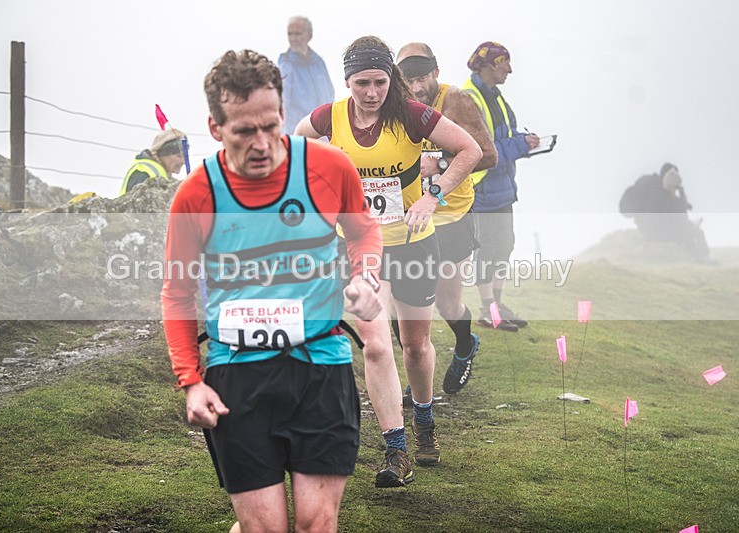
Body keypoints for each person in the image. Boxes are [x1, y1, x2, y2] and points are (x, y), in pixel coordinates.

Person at [161, 49, 383, 532]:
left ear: (283, 112)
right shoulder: (196, 195)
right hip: (238, 375)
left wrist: (364, 277)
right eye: (244, 131)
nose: (262, 143)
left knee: (315, 525)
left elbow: (363, 231)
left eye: (271, 125)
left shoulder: (329, 167)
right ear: (216, 127)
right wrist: (190, 380)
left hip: (321, 365)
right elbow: (177, 294)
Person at [296, 35, 481, 484]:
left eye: (380, 81)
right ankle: (395, 451)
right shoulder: (331, 118)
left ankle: (424, 422)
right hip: (360, 248)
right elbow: (297, 146)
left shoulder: (412, 115)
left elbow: (470, 150)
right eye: (362, 83)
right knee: (377, 345)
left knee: (414, 346)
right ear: (348, 82)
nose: (372, 92)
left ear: (390, 79)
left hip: (413, 244)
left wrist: (432, 197)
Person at [396, 42, 498, 396]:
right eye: (409, 80)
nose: (417, 88)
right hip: (410, 217)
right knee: (403, 305)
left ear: (436, 73)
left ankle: (465, 345)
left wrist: (438, 163)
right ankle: (417, 378)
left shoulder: (455, 100)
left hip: (451, 215)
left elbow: (488, 154)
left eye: (423, 78)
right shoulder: (394, 103)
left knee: (446, 302)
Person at [461, 41, 540, 331]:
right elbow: (484, 151)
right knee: (488, 248)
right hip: (482, 189)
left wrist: (525, 141)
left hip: (502, 187)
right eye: (503, 62)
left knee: (504, 245)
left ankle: (497, 303)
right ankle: (486, 308)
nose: (509, 68)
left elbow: (503, 136)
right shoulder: (469, 98)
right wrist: (519, 144)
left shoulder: (495, 96)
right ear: (487, 65)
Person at [634, 163, 710, 261]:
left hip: (665, 230)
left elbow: (680, 214)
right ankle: (703, 258)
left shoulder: (667, 196)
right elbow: (674, 215)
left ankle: (699, 257)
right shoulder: (659, 196)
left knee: (692, 232)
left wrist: (681, 196)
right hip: (659, 232)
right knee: (695, 232)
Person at [277, 16, 335, 135]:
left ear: (309, 36)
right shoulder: (286, 65)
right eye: (290, 34)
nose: (293, 38)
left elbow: (329, 95)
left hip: (322, 130)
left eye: (298, 34)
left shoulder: (318, 63)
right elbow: (282, 102)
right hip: (296, 132)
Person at [119, 128, 187, 196]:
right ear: (163, 154)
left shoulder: (162, 172)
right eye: (179, 156)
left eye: (185, 156)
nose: (183, 161)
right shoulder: (143, 172)